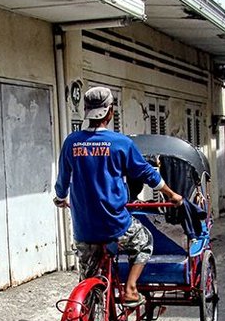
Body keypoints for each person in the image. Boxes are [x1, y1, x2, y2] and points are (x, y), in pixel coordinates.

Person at [53, 87, 184, 307]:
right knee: (144, 242)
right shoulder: (121, 143)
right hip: (115, 225)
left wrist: (59, 199)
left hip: (83, 228)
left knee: (88, 275)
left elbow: (62, 180)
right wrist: (172, 195)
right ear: (110, 112)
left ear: (87, 112)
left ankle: (88, 316)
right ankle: (131, 289)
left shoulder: (71, 142)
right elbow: (147, 173)